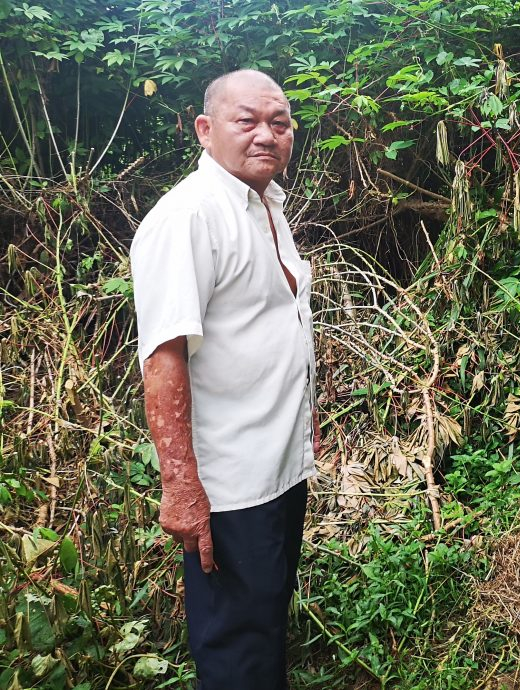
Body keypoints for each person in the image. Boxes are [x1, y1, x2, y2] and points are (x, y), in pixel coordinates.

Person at [131, 69, 319, 689]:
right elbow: (163, 358)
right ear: (206, 130)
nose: (266, 135)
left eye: (279, 123)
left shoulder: (265, 202)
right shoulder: (188, 217)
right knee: (238, 648)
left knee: (263, 626)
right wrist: (181, 489)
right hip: (230, 488)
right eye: (247, 121)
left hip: (280, 471)